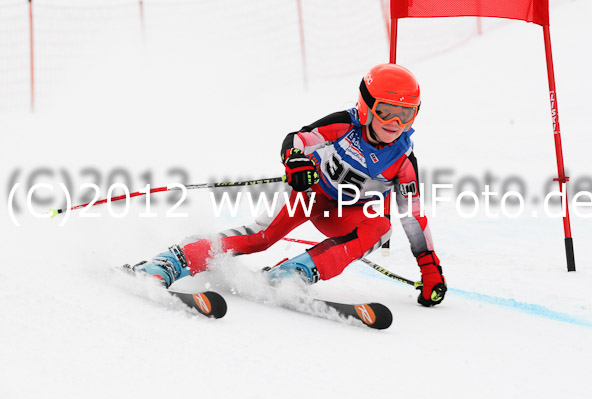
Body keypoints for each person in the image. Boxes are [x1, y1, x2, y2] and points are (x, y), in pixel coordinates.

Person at [131, 63, 447, 307]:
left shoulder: (403, 160)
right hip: (308, 193)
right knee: (260, 238)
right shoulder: (344, 124)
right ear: (367, 106)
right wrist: (296, 162)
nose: (395, 124)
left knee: (380, 227)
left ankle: (289, 275)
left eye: (406, 114)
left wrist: (429, 268)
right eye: (386, 111)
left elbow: (413, 218)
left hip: (344, 213)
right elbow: (297, 140)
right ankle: (168, 261)